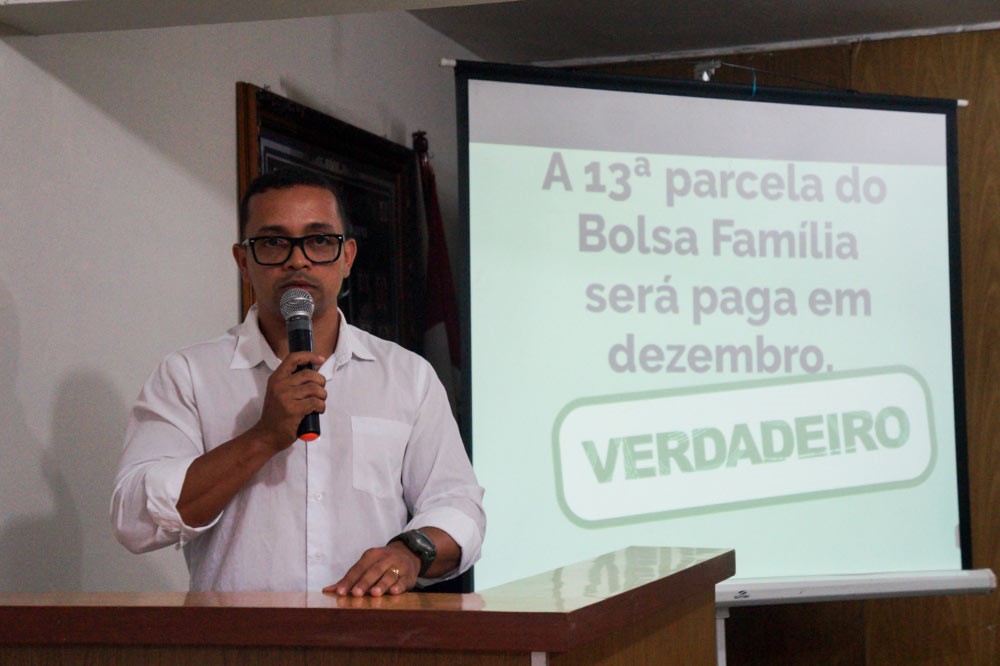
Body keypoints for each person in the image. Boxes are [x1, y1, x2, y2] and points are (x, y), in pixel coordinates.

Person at [111, 168, 485, 595]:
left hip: (371, 631)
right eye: (273, 243)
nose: (298, 260)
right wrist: (263, 437)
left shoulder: (406, 376)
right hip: (237, 632)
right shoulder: (189, 374)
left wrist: (410, 552)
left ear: (347, 257)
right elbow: (134, 520)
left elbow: (459, 506)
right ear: (243, 261)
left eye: (319, 240)